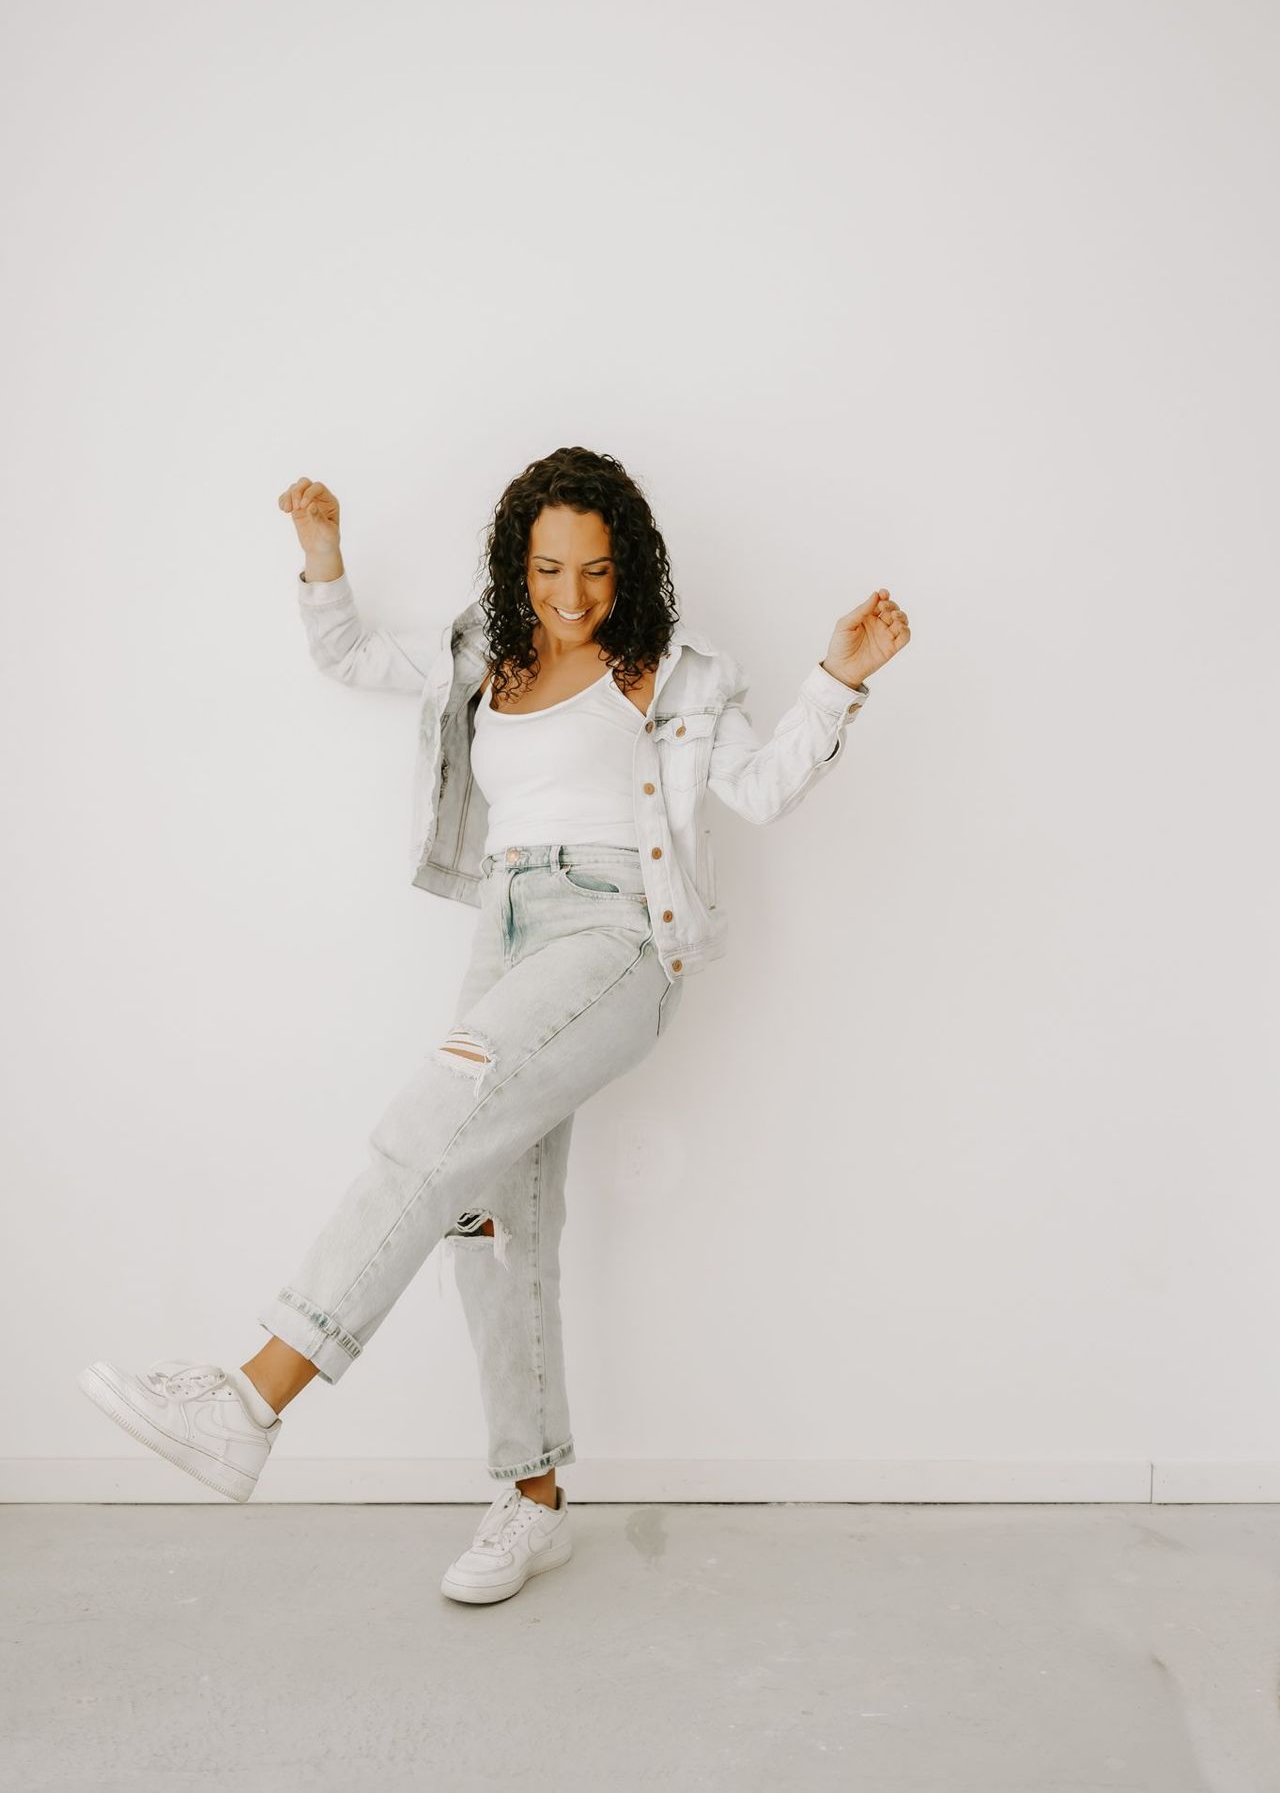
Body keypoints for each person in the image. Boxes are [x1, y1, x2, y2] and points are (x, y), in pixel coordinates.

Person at [78, 446, 910, 1605]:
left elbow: (759, 789)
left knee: (433, 1116)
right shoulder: (488, 651)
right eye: (550, 569)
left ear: (633, 570)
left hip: (617, 934)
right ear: (519, 564)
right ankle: (532, 1501)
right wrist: (323, 558)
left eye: (598, 573)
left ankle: (254, 1397)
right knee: (490, 1218)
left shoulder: (671, 675)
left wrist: (837, 677)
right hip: (504, 927)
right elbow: (355, 656)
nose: (572, 598)